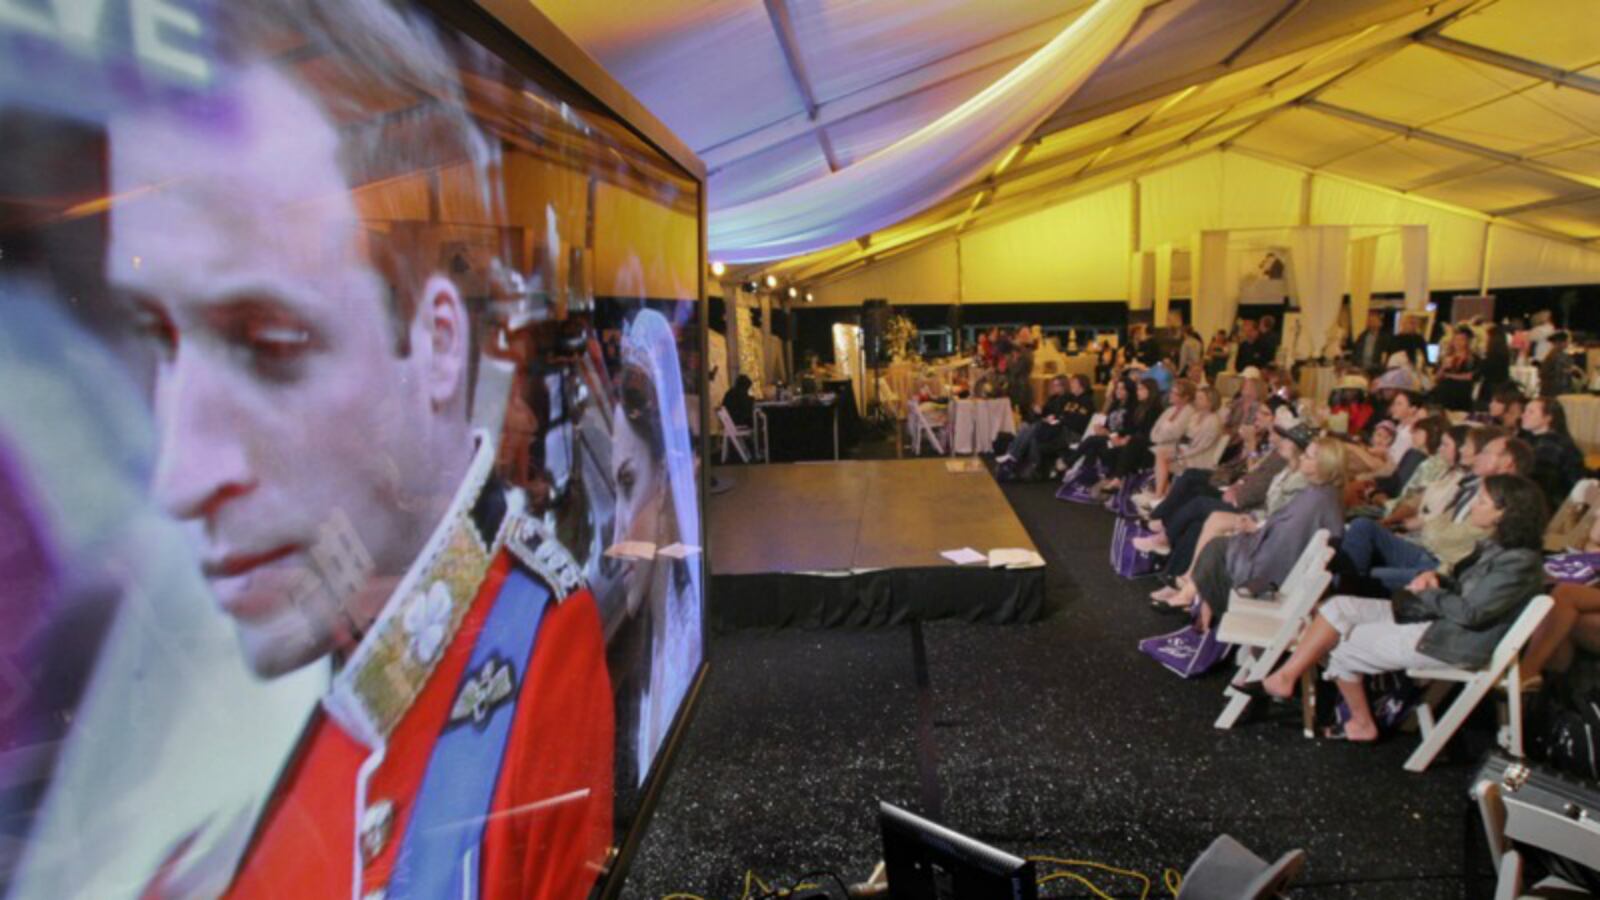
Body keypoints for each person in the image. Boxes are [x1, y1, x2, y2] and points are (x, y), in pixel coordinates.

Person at [103, 5, 615, 895]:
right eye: (156, 339)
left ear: (440, 343)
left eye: (270, 343)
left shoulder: (528, 666)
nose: (178, 476)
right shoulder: (183, 729)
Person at [1251, 475, 1548, 742]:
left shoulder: (1518, 563)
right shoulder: (1499, 548)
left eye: (1482, 502)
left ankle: (1362, 723)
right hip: (1438, 621)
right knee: (1337, 607)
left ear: (1505, 513)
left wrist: (1430, 593)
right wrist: (1437, 578)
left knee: (1338, 643)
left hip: (1449, 641)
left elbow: (1471, 612)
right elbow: (1466, 589)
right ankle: (1286, 678)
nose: (1474, 507)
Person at [1156, 435, 1346, 625]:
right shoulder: (1320, 496)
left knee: (1217, 546)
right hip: (1275, 553)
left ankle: (1193, 606)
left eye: (1309, 456)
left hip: (1269, 578)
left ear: (1323, 466)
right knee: (1215, 538)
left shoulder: (1312, 503)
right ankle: (1195, 610)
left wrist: (1248, 537)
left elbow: (1278, 552)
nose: (1303, 457)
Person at [1522, 396, 1588, 507]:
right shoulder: (1534, 439)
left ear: (1548, 418)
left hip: (1554, 505)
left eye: (1531, 412)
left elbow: (1540, 484)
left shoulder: (1552, 445)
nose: (1523, 415)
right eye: (1525, 411)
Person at [1431, 327, 1478, 412]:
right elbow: (1436, 378)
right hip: (1444, 394)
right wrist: (1443, 367)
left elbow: (1470, 376)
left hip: (1462, 395)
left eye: (1461, 339)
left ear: (1467, 341)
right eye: (1456, 339)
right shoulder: (1445, 356)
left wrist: (1449, 375)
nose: (1458, 342)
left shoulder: (1473, 358)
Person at [1478, 325, 1513, 409]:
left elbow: (1483, 371)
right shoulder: (1505, 354)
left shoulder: (1492, 356)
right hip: (1501, 387)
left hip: (1490, 388)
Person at [1539, 331, 1578, 397]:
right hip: (1557, 390)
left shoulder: (1551, 354)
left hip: (1547, 389)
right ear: (1561, 342)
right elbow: (1561, 374)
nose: (1567, 343)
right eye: (1567, 341)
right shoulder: (1560, 356)